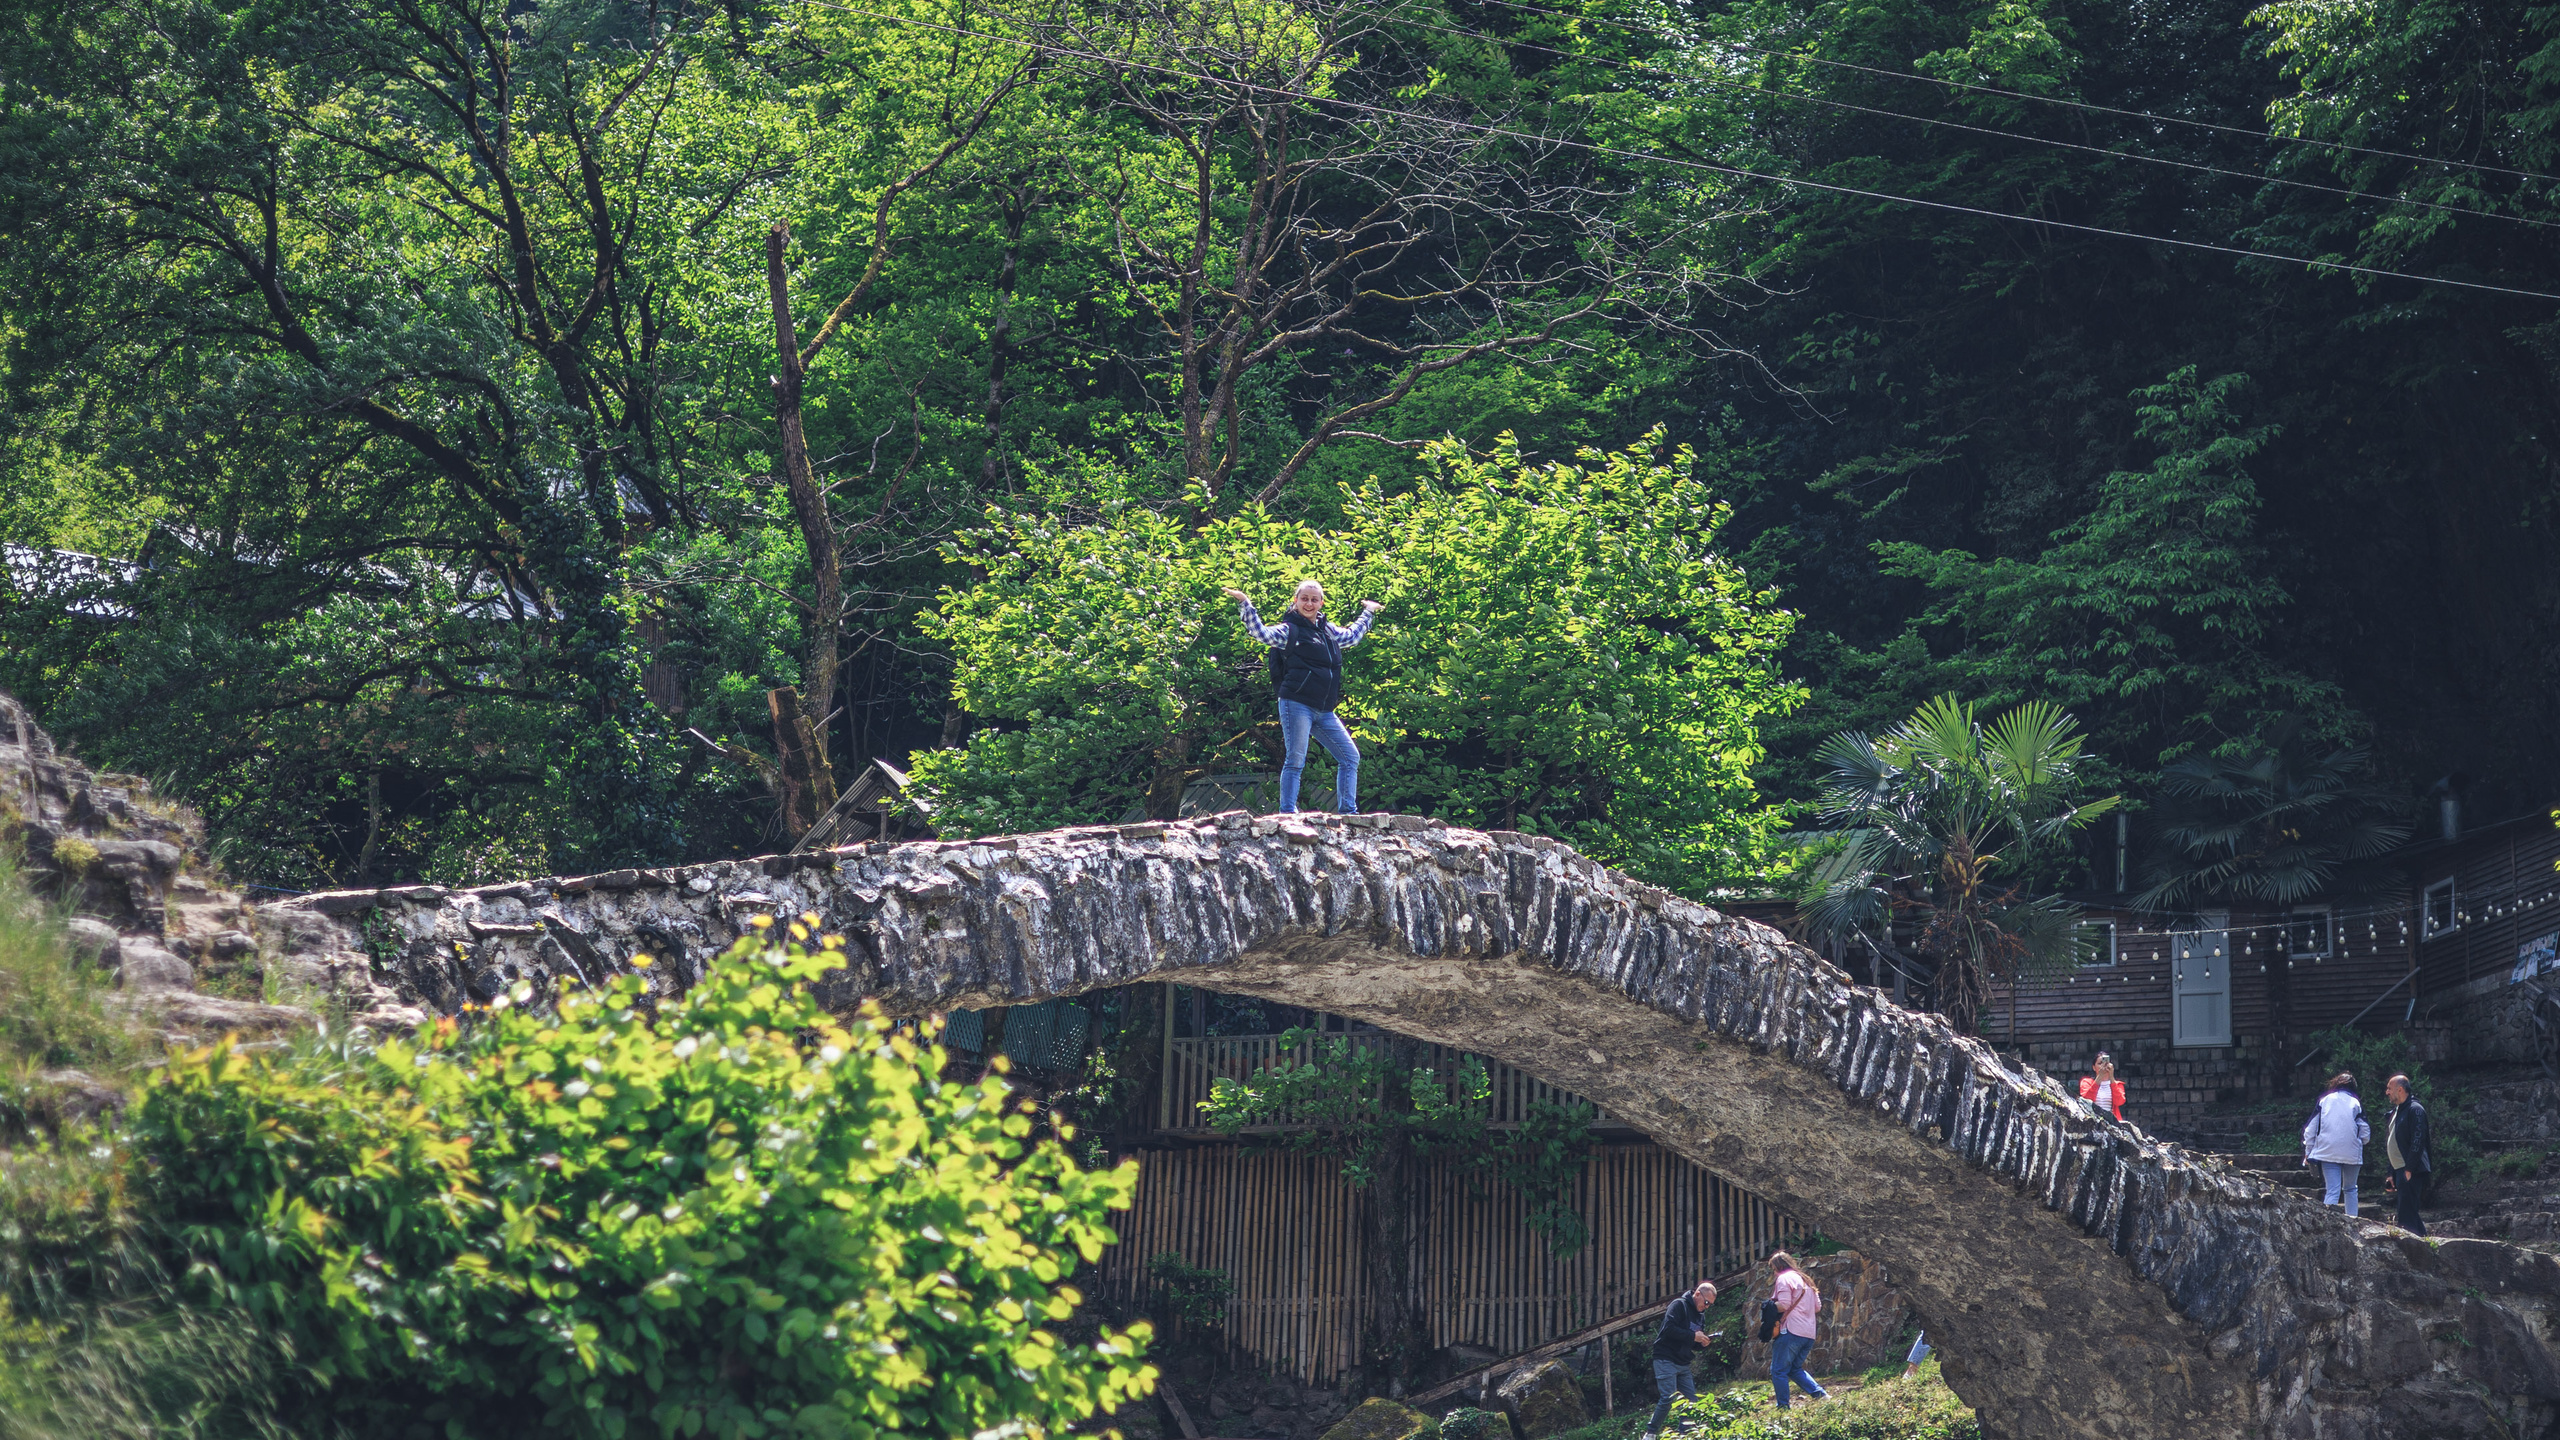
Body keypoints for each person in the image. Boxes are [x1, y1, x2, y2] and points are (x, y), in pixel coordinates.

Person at [1223, 581, 1382, 815]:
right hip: (1296, 703)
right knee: (1296, 759)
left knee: (1350, 757)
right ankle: (1288, 813)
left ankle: (1349, 813)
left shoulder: (1328, 631)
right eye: (1304, 599)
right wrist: (1245, 603)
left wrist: (1368, 612)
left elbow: (1351, 638)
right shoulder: (1289, 630)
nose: (1309, 603)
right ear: (1295, 601)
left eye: (1314, 599)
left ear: (1321, 603)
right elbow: (1261, 633)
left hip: (1324, 710)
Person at [1642, 1278, 1718, 1438]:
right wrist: (1693, 1336)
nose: (1707, 1306)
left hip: (1683, 1361)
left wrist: (1702, 1343)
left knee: (1691, 1401)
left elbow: (1692, 1342)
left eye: (1710, 1305)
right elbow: (1668, 1329)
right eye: (1706, 1302)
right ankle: (1650, 1433)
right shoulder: (1678, 1305)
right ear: (1697, 1294)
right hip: (1665, 1357)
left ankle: (1684, 1434)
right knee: (1668, 1398)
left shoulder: (1701, 1316)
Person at [2302, 1071, 2371, 1215]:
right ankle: (2353, 1220)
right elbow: (2365, 1132)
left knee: (2332, 1190)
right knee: (2351, 1188)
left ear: (2335, 1084)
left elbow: (2310, 1129)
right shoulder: (2355, 1102)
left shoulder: (2324, 1100)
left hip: (2328, 1151)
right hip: (2351, 1153)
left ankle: (2328, 1222)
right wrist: (2359, 1142)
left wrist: (2308, 1151)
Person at [1766, 1252, 1827, 1409]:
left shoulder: (1783, 1279)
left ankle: (1783, 1407)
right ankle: (1822, 1396)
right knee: (1794, 1369)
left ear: (1779, 1267)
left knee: (1778, 1370)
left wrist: (1768, 1306)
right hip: (1808, 1333)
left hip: (1791, 1331)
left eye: (1774, 1269)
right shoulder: (1806, 1280)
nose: (1774, 1273)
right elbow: (1817, 1307)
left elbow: (1784, 1304)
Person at [2383, 1073, 2432, 1236]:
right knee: (2408, 1213)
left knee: (2407, 1215)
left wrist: (2409, 1169)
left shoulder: (2415, 1110)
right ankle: (2426, 1244)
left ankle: (2414, 1246)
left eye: (2389, 1088)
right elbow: (2393, 1142)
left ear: (2400, 1089)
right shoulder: (2396, 1111)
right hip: (2400, 1170)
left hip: (2411, 1170)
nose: (2387, 1092)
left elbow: (2418, 1141)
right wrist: (2391, 1173)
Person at [2079, 1052, 2128, 1122]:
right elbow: (2086, 1099)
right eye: (2100, 1063)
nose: (2103, 1066)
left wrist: (2111, 1077)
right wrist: (2099, 1077)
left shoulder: (2118, 1084)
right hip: (2092, 1120)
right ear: (2094, 1067)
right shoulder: (2086, 1082)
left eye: (2105, 1064)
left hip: (2111, 1122)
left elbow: (2119, 1102)